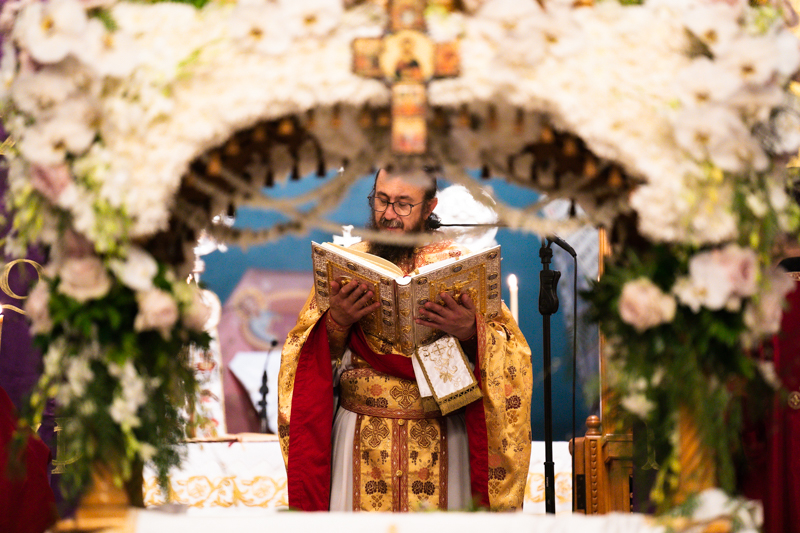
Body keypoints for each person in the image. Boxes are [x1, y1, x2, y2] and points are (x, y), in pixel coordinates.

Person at [277, 168, 532, 512]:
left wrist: (471, 332)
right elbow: (303, 352)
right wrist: (336, 322)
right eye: (381, 201)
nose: (388, 215)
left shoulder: (457, 265)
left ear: (429, 208)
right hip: (361, 433)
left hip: (442, 434)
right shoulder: (351, 261)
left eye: (403, 205)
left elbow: (510, 352)